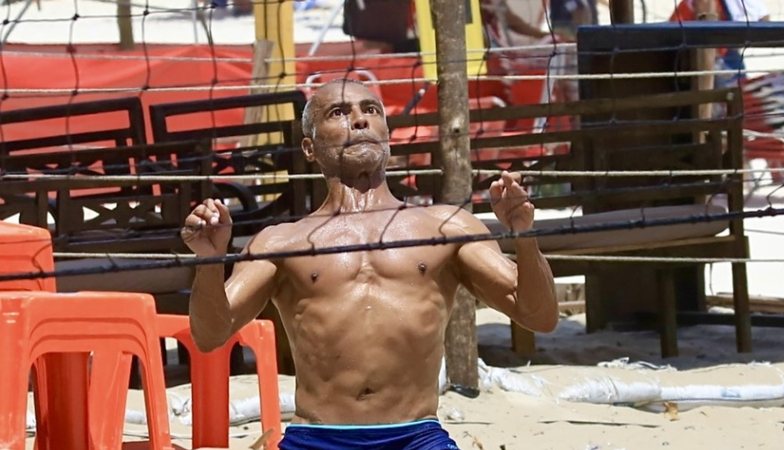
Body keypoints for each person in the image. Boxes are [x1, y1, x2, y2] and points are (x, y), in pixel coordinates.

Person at [182, 79, 558, 449]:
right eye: (338, 113)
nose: (359, 120)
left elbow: (539, 316)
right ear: (310, 148)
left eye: (371, 110)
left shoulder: (445, 227)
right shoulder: (282, 241)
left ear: (387, 135)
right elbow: (211, 334)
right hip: (316, 438)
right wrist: (210, 260)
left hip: (414, 436)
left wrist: (524, 235)